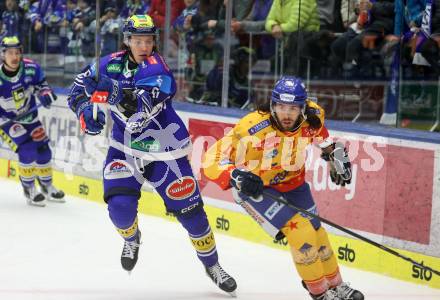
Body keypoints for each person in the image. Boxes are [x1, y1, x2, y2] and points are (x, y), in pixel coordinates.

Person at [67, 15, 237, 295]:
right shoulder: (108, 64)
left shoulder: (158, 68)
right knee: (120, 209)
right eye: (138, 40)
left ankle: (213, 265)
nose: (144, 45)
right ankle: (132, 238)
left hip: (165, 151)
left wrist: (113, 92)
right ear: (127, 41)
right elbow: (76, 91)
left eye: (148, 40)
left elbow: (140, 108)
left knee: (193, 215)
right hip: (124, 149)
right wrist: (86, 112)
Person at [203, 76, 364, 300]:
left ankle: (336, 285)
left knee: (318, 232)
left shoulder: (313, 116)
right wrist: (236, 176)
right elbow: (212, 158)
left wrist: (334, 154)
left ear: (303, 107)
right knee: (301, 231)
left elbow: (321, 137)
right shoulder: (252, 127)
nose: (286, 113)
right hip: (259, 189)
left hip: (294, 183)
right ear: (272, 105)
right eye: (281, 106)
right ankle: (319, 293)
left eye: (293, 108)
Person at [0, 36, 65, 206]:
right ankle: (29, 189)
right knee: (28, 149)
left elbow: (42, 86)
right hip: (6, 122)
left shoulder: (31, 68)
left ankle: (46, 186)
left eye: (17, 52)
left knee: (44, 150)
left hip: (30, 118)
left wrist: (45, 95)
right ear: (3, 54)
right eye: (10, 53)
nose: (14, 57)